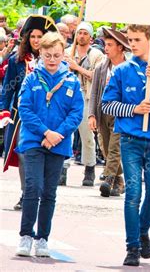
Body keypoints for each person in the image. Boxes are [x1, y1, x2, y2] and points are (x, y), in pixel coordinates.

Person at [102, 24, 150, 266]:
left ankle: (142, 231)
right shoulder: (122, 70)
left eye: (136, 39)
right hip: (130, 141)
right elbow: (107, 105)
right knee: (133, 193)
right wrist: (133, 109)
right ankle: (132, 246)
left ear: (149, 39)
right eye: (130, 39)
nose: (132, 44)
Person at [15, 32, 83, 257]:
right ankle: (26, 235)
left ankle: (42, 238)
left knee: (50, 193)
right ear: (40, 54)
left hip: (59, 143)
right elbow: (24, 109)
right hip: (34, 140)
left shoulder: (71, 80)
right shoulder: (32, 78)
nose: (52, 60)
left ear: (63, 54)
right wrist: (45, 132)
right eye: (47, 55)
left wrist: (57, 134)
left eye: (56, 55)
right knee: (33, 187)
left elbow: (76, 113)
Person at [1, 15, 58, 211]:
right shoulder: (16, 60)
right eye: (32, 36)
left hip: (47, 116)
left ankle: (40, 192)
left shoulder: (53, 61)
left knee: (44, 156)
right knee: (24, 154)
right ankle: (27, 193)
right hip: (20, 117)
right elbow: (7, 89)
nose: (35, 40)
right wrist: (3, 110)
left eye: (39, 36)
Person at [88, 28, 130, 196]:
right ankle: (119, 179)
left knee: (115, 147)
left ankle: (109, 179)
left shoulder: (129, 67)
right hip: (103, 111)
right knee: (105, 147)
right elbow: (94, 91)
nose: (106, 48)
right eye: (106, 44)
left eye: (110, 45)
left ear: (120, 47)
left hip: (121, 113)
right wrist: (92, 114)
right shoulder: (101, 67)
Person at [65, 22, 104, 186]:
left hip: (86, 95)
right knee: (65, 132)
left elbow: (97, 77)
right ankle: (62, 167)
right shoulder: (67, 52)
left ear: (90, 36)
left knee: (87, 134)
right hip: (67, 95)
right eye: (79, 33)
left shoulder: (97, 55)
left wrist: (76, 67)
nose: (81, 36)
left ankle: (89, 167)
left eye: (85, 33)